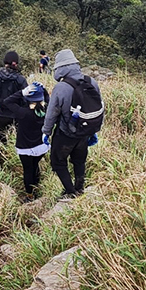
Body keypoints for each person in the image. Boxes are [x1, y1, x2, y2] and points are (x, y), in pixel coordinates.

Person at [41, 48, 104, 198]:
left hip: (66, 133)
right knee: (79, 160)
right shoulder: (91, 81)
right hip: (85, 133)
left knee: (58, 162)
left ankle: (70, 192)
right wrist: (93, 131)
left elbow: (52, 114)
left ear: (60, 68)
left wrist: (46, 132)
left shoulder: (61, 87)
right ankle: (79, 187)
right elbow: (97, 106)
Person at [0, 82, 50, 200]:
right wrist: (43, 90)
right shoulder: (46, 110)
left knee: (28, 170)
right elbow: (48, 99)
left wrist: (21, 92)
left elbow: (7, 102)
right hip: (41, 147)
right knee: (35, 165)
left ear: (28, 99)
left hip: (25, 148)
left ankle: (30, 195)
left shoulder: (23, 113)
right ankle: (36, 186)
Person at [0, 51, 28, 142]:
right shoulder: (21, 80)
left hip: (1, 113)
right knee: (15, 138)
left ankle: (1, 152)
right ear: (16, 63)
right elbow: (26, 99)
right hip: (16, 114)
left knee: (2, 137)